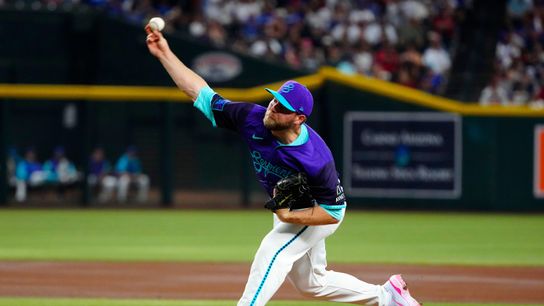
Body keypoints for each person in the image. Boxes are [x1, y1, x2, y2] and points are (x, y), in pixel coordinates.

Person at [145, 25, 422, 306]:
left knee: (273, 250)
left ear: (298, 118)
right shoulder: (251, 117)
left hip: (317, 209)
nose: (272, 107)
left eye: (282, 107)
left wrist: (291, 217)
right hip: (290, 206)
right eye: (274, 99)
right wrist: (165, 53)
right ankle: (387, 296)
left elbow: (333, 212)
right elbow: (200, 93)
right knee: (312, 284)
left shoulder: (315, 158)